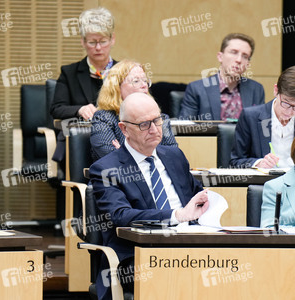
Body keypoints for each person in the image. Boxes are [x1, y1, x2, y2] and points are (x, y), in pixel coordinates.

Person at [90, 93, 209, 299]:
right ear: (124, 129)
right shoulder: (105, 169)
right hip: (139, 256)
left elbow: (196, 196)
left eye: (157, 120)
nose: (154, 129)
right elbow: (121, 215)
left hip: (189, 248)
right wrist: (176, 215)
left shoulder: (174, 156)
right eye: (144, 124)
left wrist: (208, 203)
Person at [50, 7, 117, 162]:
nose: (98, 48)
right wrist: (80, 109)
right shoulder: (69, 72)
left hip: (117, 140)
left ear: (112, 39)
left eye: (103, 41)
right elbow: (57, 109)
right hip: (80, 143)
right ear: (83, 41)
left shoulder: (124, 71)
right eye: (92, 42)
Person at [230, 65, 295, 169]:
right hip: (262, 183)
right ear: (276, 90)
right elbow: (235, 162)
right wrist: (259, 163)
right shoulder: (250, 117)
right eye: (286, 103)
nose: (289, 112)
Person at [90, 59, 177, 161]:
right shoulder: (104, 118)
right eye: (136, 81)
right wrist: (152, 154)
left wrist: (125, 152)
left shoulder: (161, 118)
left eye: (145, 81)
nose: (144, 85)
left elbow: (173, 155)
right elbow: (111, 158)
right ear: (117, 87)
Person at [179, 33, 265, 120]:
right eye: (234, 52)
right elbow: (184, 128)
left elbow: (260, 126)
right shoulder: (197, 89)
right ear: (220, 57)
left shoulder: (256, 89)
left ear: (247, 64)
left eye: (245, 56)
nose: (239, 60)